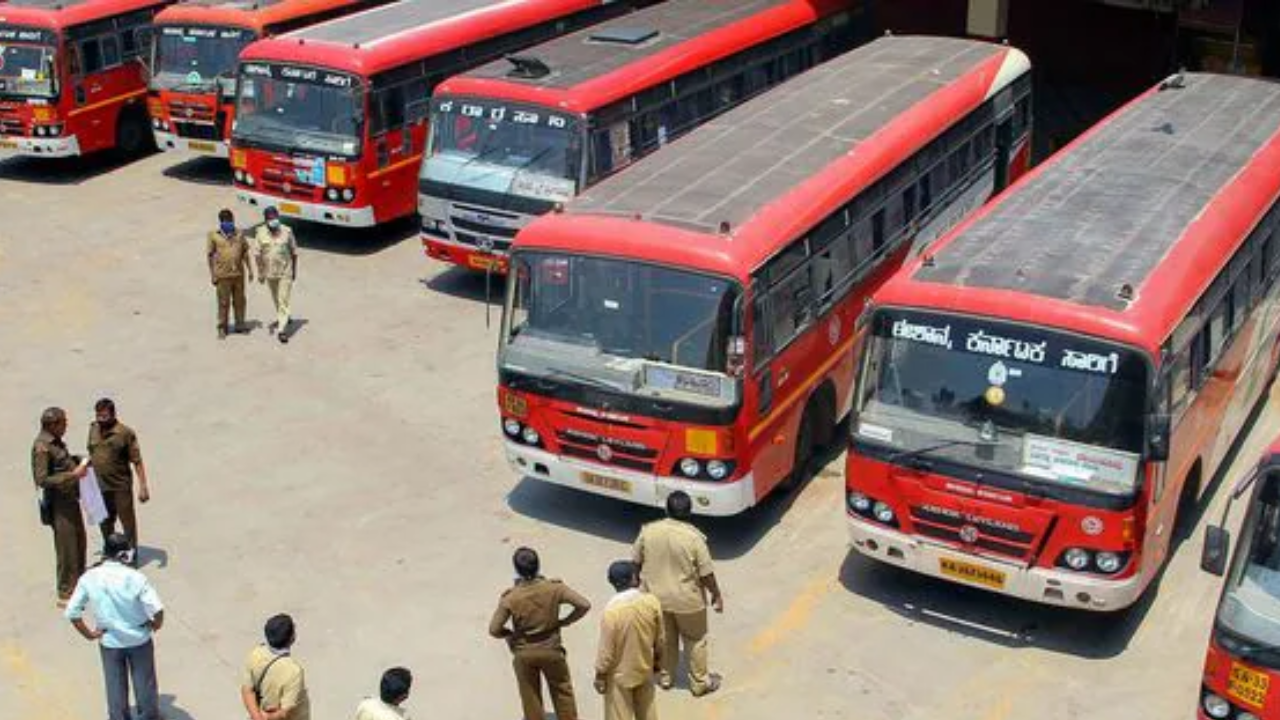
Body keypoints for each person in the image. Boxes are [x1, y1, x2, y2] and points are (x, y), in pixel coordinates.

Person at [632, 491, 723, 696]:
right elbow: (706, 573)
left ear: (666, 509)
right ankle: (699, 682)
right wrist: (716, 594)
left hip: (655, 598)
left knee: (664, 639)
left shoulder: (648, 531)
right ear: (690, 512)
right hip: (688, 601)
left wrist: (636, 583)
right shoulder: (694, 538)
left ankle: (665, 677)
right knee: (695, 639)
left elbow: (635, 561)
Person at [65, 534, 164, 720]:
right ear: (124, 555)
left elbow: (72, 612)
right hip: (139, 640)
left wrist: (90, 634)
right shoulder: (136, 577)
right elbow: (158, 609)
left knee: (115, 687)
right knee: (145, 685)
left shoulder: (89, 577)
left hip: (109, 642)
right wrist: (154, 624)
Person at [489, 547, 591, 720]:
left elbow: (494, 629)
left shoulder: (511, 597)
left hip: (524, 652)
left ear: (516, 570)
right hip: (551, 649)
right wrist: (564, 622)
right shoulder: (555, 588)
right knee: (562, 690)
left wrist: (509, 634)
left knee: (530, 696)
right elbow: (584, 605)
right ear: (538, 566)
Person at [32, 406, 89, 606]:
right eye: (63, 422)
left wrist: (77, 460)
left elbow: (61, 462)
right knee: (67, 548)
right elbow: (42, 479)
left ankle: (80, 583)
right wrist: (73, 475)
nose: (66, 425)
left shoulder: (55, 443)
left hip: (70, 499)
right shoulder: (42, 447)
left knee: (79, 541)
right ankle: (66, 590)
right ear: (52, 425)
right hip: (59, 504)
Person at [594, 560, 663, 720]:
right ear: (634, 579)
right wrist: (657, 665)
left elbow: (606, 652)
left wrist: (600, 675)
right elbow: (660, 639)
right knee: (648, 713)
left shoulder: (611, 612)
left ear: (611, 582)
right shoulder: (651, 602)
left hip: (619, 676)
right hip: (644, 667)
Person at [88, 398, 149, 557]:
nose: (100, 420)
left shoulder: (125, 433)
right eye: (98, 416)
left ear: (113, 414)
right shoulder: (93, 429)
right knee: (104, 521)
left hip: (120, 486)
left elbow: (137, 461)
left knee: (127, 522)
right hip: (99, 485)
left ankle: (131, 554)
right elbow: (92, 452)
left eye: (104, 416)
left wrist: (143, 486)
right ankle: (110, 553)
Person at [241, 614, 310, 720]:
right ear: (292, 638)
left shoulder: (256, 654)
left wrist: (257, 717)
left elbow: (247, 690)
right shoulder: (293, 672)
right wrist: (267, 717)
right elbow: (285, 712)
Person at [207, 208, 254, 339]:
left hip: (238, 274)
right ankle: (222, 327)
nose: (229, 223)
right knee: (223, 302)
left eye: (231, 220)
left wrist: (250, 270)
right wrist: (212, 275)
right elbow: (210, 256)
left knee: (240, 301)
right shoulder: (213, 235)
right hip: (222, 275)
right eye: (226, 221)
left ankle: (240, 325)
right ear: (221, 222)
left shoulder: (239, 234)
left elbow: (245, 253)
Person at [254, 207, 298, 344]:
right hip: (270, 273)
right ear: (266, 220)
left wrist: (294, 271)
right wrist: (260, 272)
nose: (274, 220)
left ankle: (282, 330)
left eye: (275, 217)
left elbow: (294, 252)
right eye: (271, 218)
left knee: (283, 298)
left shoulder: (287, 231)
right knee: (276, 299)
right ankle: (286, 316)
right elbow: (257, 255)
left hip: (286, 271)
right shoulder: (260, 233)